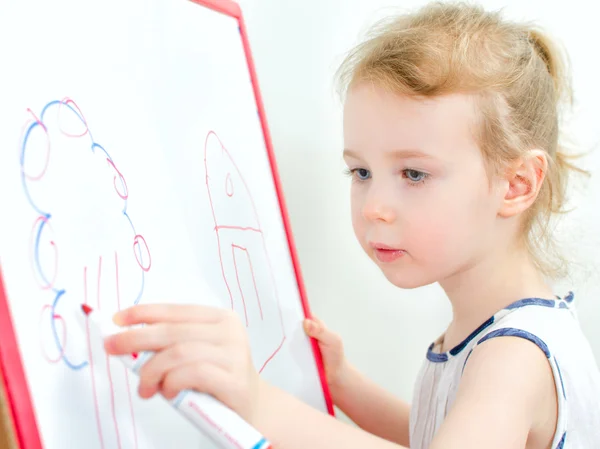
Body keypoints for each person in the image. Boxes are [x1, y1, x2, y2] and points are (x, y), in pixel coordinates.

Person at [104, 2, 600, 448]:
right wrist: (347, 387)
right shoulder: (486, 331)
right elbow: (433, 433)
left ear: (516, 184)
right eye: (361, 172)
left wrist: (258, 404)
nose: (374, 207)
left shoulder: (513, 356)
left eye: (413, 173)